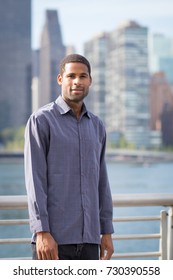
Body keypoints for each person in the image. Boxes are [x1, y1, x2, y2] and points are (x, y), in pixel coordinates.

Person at [24, 53, 114, 260]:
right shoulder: (41, 121)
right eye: (71, 75)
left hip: (90, 241)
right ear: (60, 79)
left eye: (83, 76)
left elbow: (102, 182)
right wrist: (42, 231)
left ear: (90, 81)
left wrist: (106, 231)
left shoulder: (97, 125)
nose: (77, 81)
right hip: (53, 241)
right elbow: (35, 181)